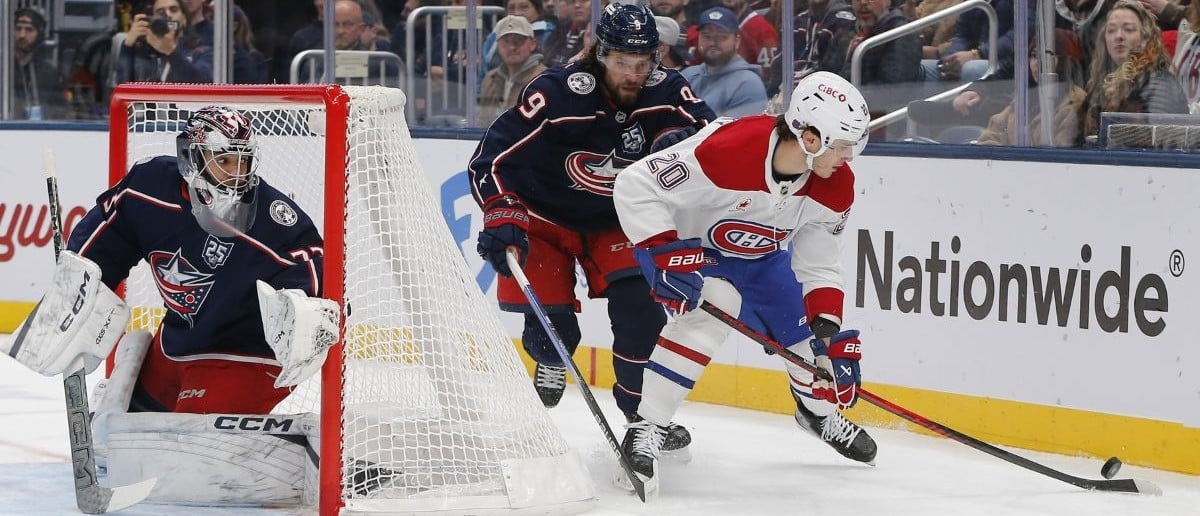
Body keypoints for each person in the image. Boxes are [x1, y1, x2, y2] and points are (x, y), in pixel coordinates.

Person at [612, 71, 877, 489]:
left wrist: (828, 336)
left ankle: (818, 416)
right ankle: (646, 428)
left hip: (760, 257)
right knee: (715, 308)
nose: (849, 155)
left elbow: (819, 266)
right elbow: (634, 184)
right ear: (810, 138)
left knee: (811, 342)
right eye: (843, 144)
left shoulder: (836, 184)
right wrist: (662, 249)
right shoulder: (729, 149)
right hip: (688, 250)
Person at [469, 3, 716, 451]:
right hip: (545, 220)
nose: (633, 74)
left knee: (640, 311)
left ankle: (642, 418)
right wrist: (501, 210)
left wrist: (685, 146)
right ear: (600, 53)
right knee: (555, 334)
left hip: (617, 222)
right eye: (623, 62)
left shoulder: (669, 90)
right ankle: (550, 357)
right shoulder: (558, 92)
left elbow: (714, 138)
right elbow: (491, 158)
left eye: (643, 64)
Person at [5, 105, 336, 415]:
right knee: (122, 426)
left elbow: (314, 271)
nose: (236, 173)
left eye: (242, 161)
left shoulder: (271, 218)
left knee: (184, 448)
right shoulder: (148, 188)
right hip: (177, 341)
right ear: (191, 157)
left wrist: (302, 307)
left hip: (243, 354)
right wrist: (78, 285)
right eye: (223, 160)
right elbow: (108, 233)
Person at [1077, 0, 1188, 146]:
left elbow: (1162, 146)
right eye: (1111, 30)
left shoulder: (1158, 83)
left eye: (1128, 29)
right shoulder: (1101, 86)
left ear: (1145, 38)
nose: (1119, 36)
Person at [682, 7, 769, 117]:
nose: (713, 42)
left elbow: (739, 133)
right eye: (706, 36)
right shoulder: (687, 75)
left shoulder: (748, 84)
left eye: (721, 37)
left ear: (737, 41)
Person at [115, 0, 213, 84]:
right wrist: (127, 47)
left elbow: (202, 84)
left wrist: (172, 53)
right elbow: (122, 87)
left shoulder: (201, 51)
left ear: (184, 18)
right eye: (161, 12)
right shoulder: (142, 52)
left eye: (173, 10)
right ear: (152, 19)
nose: (168, 15)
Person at [478, 16, 547, 125]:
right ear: (498, 46)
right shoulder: (490, 77)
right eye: (505, 41)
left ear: (533, 44)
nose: (512, 47)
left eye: (519, 40)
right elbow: (482, 121)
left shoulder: (543, 78)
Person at [12, 7, 65, 120]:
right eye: (18, 29)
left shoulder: (50, 73)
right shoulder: (3, 69)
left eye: (29, 30)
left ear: (39, 34)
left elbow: (60, 111)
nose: (22, 35)